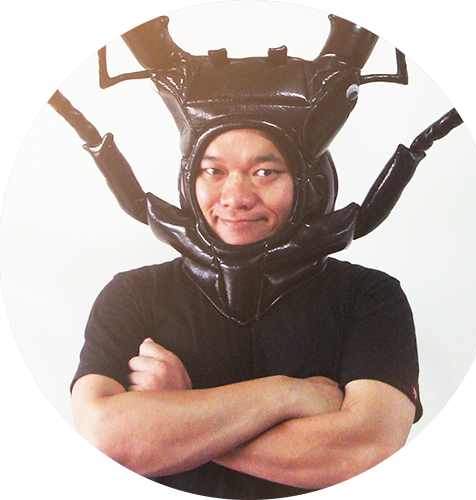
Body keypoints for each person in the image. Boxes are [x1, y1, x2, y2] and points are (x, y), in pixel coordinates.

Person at [71, 127, 421, 500]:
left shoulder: (369, 296)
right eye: (213, 171)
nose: (235, 198)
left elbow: (367, 459)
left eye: (265, 172)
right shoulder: (134, 294)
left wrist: (177, 413)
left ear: (310, 184)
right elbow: (102, 444)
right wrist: (286, 395)